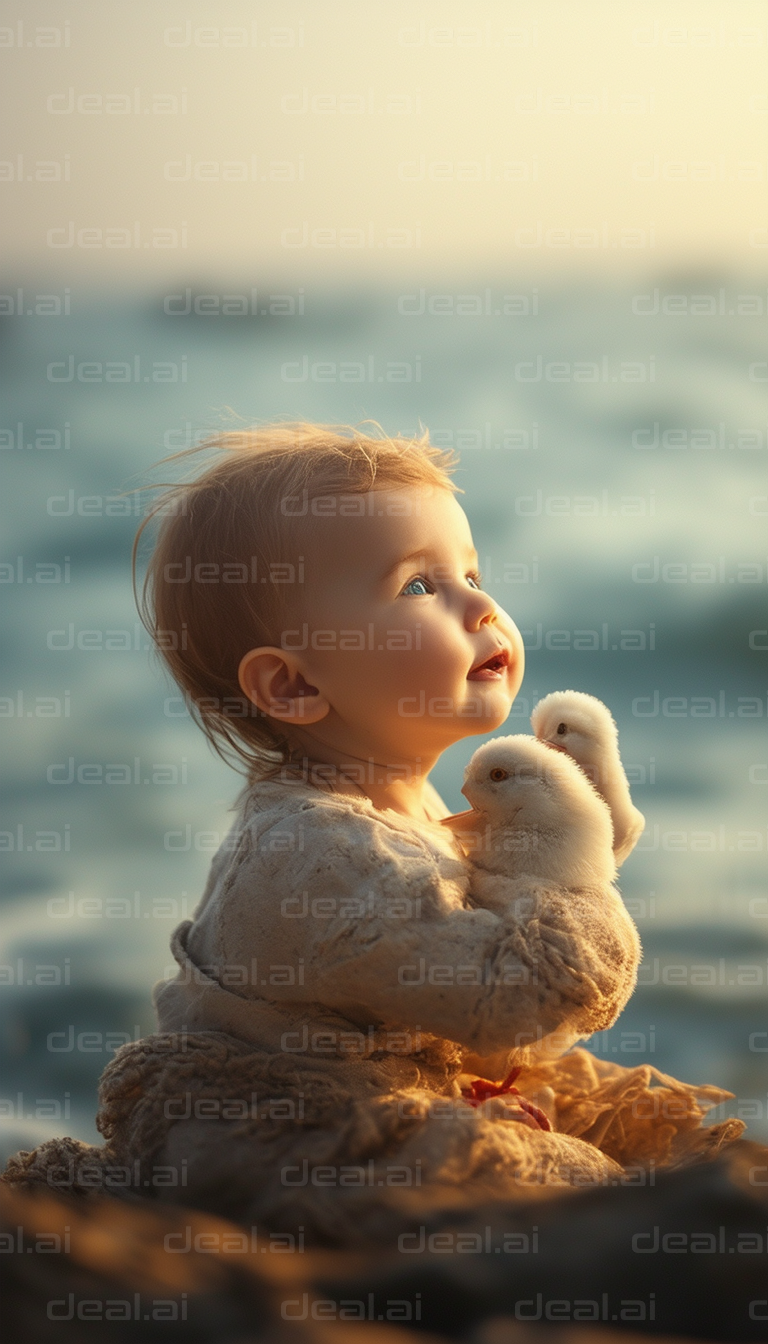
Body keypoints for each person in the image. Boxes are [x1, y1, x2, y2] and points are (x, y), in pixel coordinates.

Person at [2, 423, 742, 1245]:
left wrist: (581, 823)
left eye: (471, 573)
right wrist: (580, 871)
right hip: (282, 1125)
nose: (482, 604)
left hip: (403, 1076)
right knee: (593, 1198)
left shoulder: (409, 798)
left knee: (659, 1135)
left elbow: (521, 900)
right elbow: (519, 991)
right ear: (292, 683)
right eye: (421, 588)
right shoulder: (316, 852)